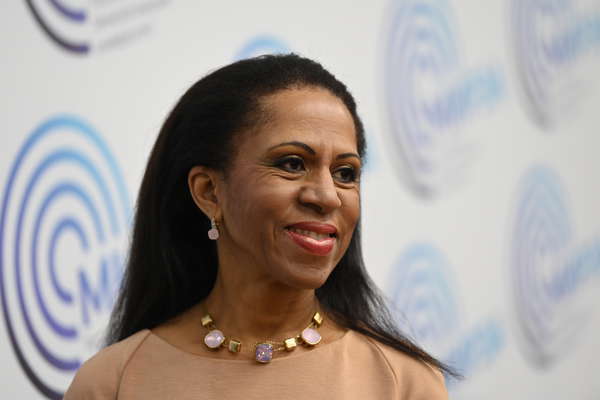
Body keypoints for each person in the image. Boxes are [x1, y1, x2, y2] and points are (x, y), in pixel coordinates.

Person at [64, 54, 454, 399]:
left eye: (345, 173)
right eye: (292, 164)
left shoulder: (404, 383)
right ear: (209, 192)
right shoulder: (113, 382)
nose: (328, 196)